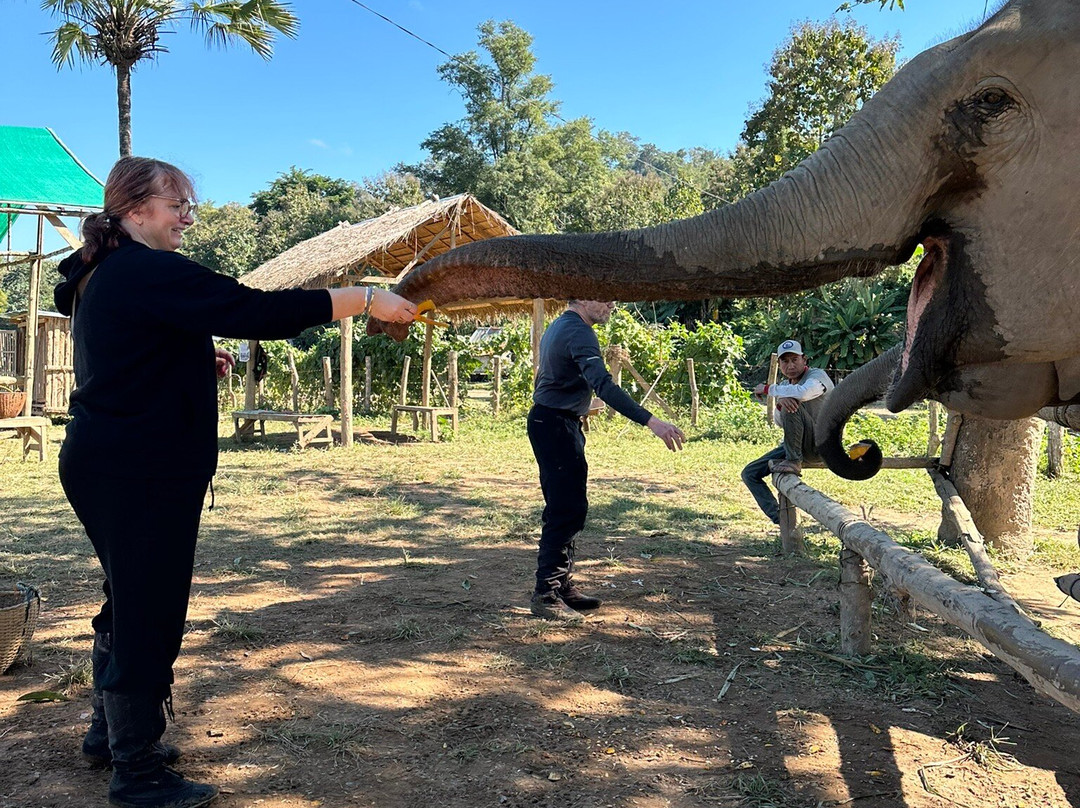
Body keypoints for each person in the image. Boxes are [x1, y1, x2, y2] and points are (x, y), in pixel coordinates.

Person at [53, 157, 417, 808]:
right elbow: (251, 309)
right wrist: (362, 298)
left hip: (108, 460)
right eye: (177, 205)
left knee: (127, 597)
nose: (188, 216)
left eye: (191, 204)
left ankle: (109, 736)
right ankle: (136, 773)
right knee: (148, 612)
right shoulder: (143, 268)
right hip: (138, 470)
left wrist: (194, 358)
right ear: (136, 211)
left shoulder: (100, 274)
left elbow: (124, 351)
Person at [528, 300, 685, 622]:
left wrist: (575, 407)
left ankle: (561, 586)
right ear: (583, 297)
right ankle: (546, 593)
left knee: (570, 507)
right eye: (604, 296)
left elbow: (553, 379)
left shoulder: (561, 325)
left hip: (554, 421)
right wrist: (651, 421)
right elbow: (604, 384)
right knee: (565, 510)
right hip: (555, 425)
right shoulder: (579, 331)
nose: (611, 303)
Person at [741, 339, 834, 524]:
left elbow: (805, 393)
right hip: (797, 444)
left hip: (823, 445)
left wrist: (769, 389)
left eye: (794, 359)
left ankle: (793, 461)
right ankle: (780, 518)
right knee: (749, 473)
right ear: (779, 364)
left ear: (804, 359)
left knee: (792, 402)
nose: (790, 365)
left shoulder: (817, 376)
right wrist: (780, 403)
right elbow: (779, 422)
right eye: (785, 361)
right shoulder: (786, 386)